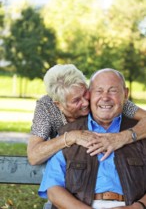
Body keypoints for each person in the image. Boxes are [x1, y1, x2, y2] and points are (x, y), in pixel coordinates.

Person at [38, 68, 146, 209]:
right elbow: (53, 189)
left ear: (125, 94)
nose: (105, 97)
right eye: (99, 91)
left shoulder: (141, 132)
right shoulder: (68, 134)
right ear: (90, 94)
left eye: (113, 90)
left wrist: (138, 207)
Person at [27, 64, 146, 165]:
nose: (85, 102)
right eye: (76, 100)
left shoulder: (103, 100)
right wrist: (71, 137)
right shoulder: (47, 107)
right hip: (68, 167)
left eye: (85, 93)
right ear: (58, 104)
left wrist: (123, 137)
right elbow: (34, 156)